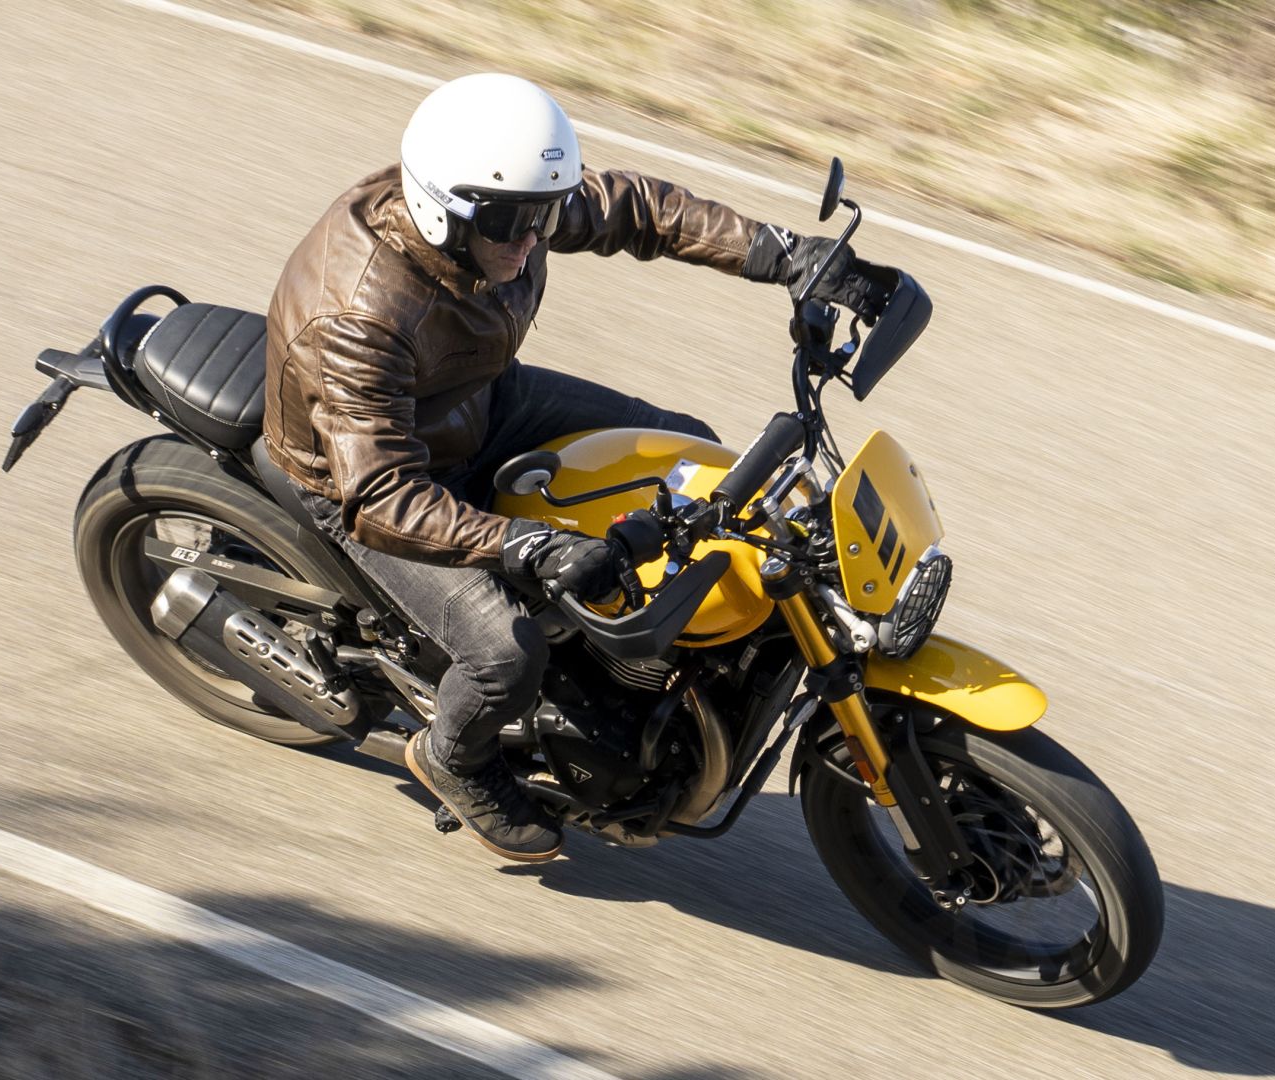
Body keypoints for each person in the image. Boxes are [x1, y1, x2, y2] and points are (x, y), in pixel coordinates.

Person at [263, 73, 888, 862]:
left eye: (547, 213)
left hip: (475, 396)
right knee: (506, 652)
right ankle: (455, 757)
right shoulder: (360, 314)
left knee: (689, 450)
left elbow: (639, 209)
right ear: (441, 208)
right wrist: (527, 545)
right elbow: (381, 493)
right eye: (514, 224)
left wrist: (787, 256)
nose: (533, 240)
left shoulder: (506, 207)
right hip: (369, 477)